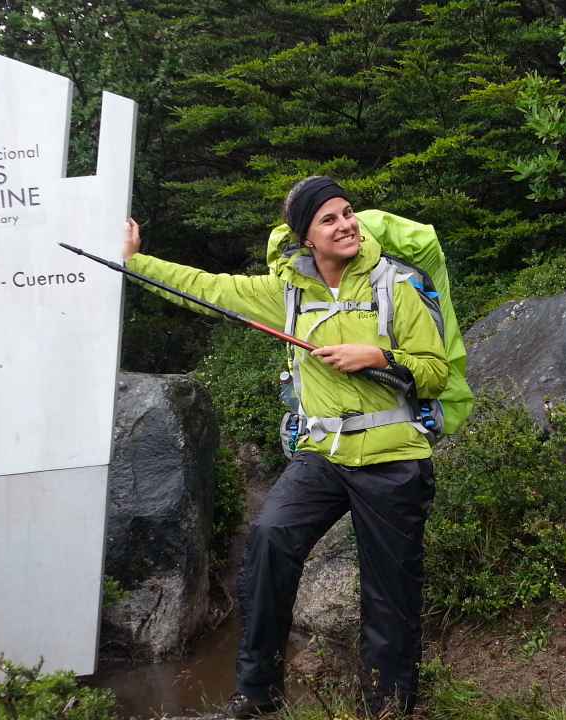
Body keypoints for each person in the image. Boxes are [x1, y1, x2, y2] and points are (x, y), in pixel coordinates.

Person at [121, 177, 450, 718]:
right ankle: (257, 694)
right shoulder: (287, 293)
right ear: (305, 236)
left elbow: (435, 373)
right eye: (329, 219)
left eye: (348, 213)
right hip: (323, 456)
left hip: (394, 457)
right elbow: (206, 288)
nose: (345, 224)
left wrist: (377, 357)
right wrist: (136, 262)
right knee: (270, 539)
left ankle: (386, 706)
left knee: (390, 590)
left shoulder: (398, 286)